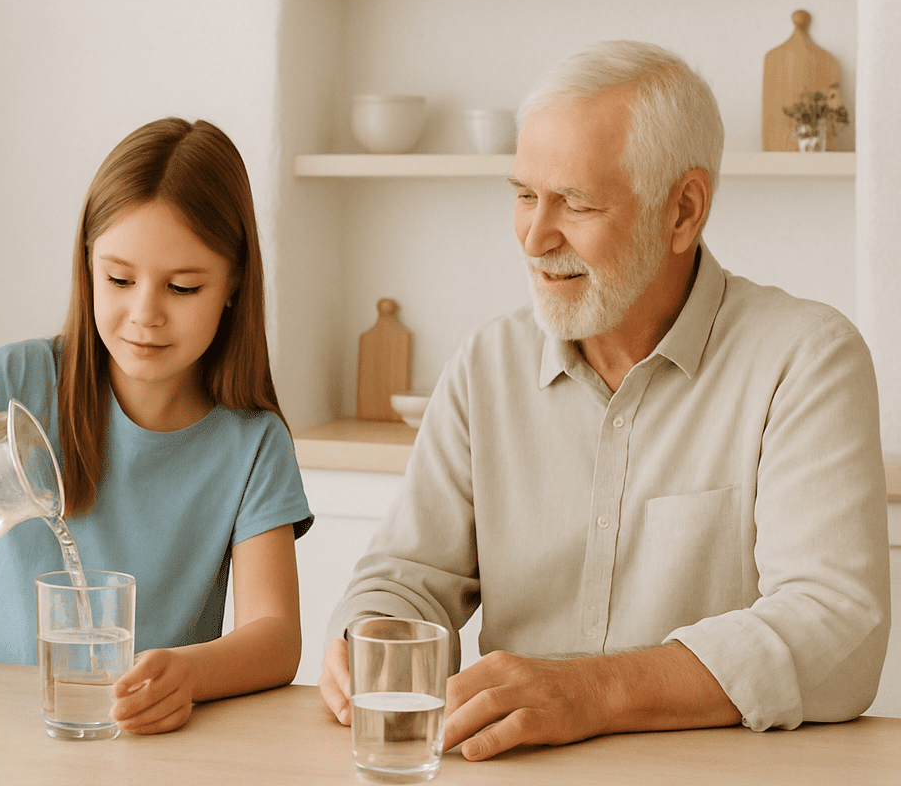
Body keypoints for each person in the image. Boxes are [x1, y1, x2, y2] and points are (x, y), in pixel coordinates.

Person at [319, 41, 891, 759]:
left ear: (683, 211)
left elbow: (835, 631)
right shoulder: (485, 365)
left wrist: (594, 692)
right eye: (524, 195)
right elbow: (407, 578)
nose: (534, 237)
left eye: (577, 203)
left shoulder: (806, 359)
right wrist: (372, 632)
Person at [0, 117, 315, 734]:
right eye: (119, 279)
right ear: (87, 266)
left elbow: (276, 637)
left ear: (233, 284)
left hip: (151, 742)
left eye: (183, 287)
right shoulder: (21, 381)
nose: (145, 314)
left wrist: (190, 675)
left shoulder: (252, 444)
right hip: (2, 734)